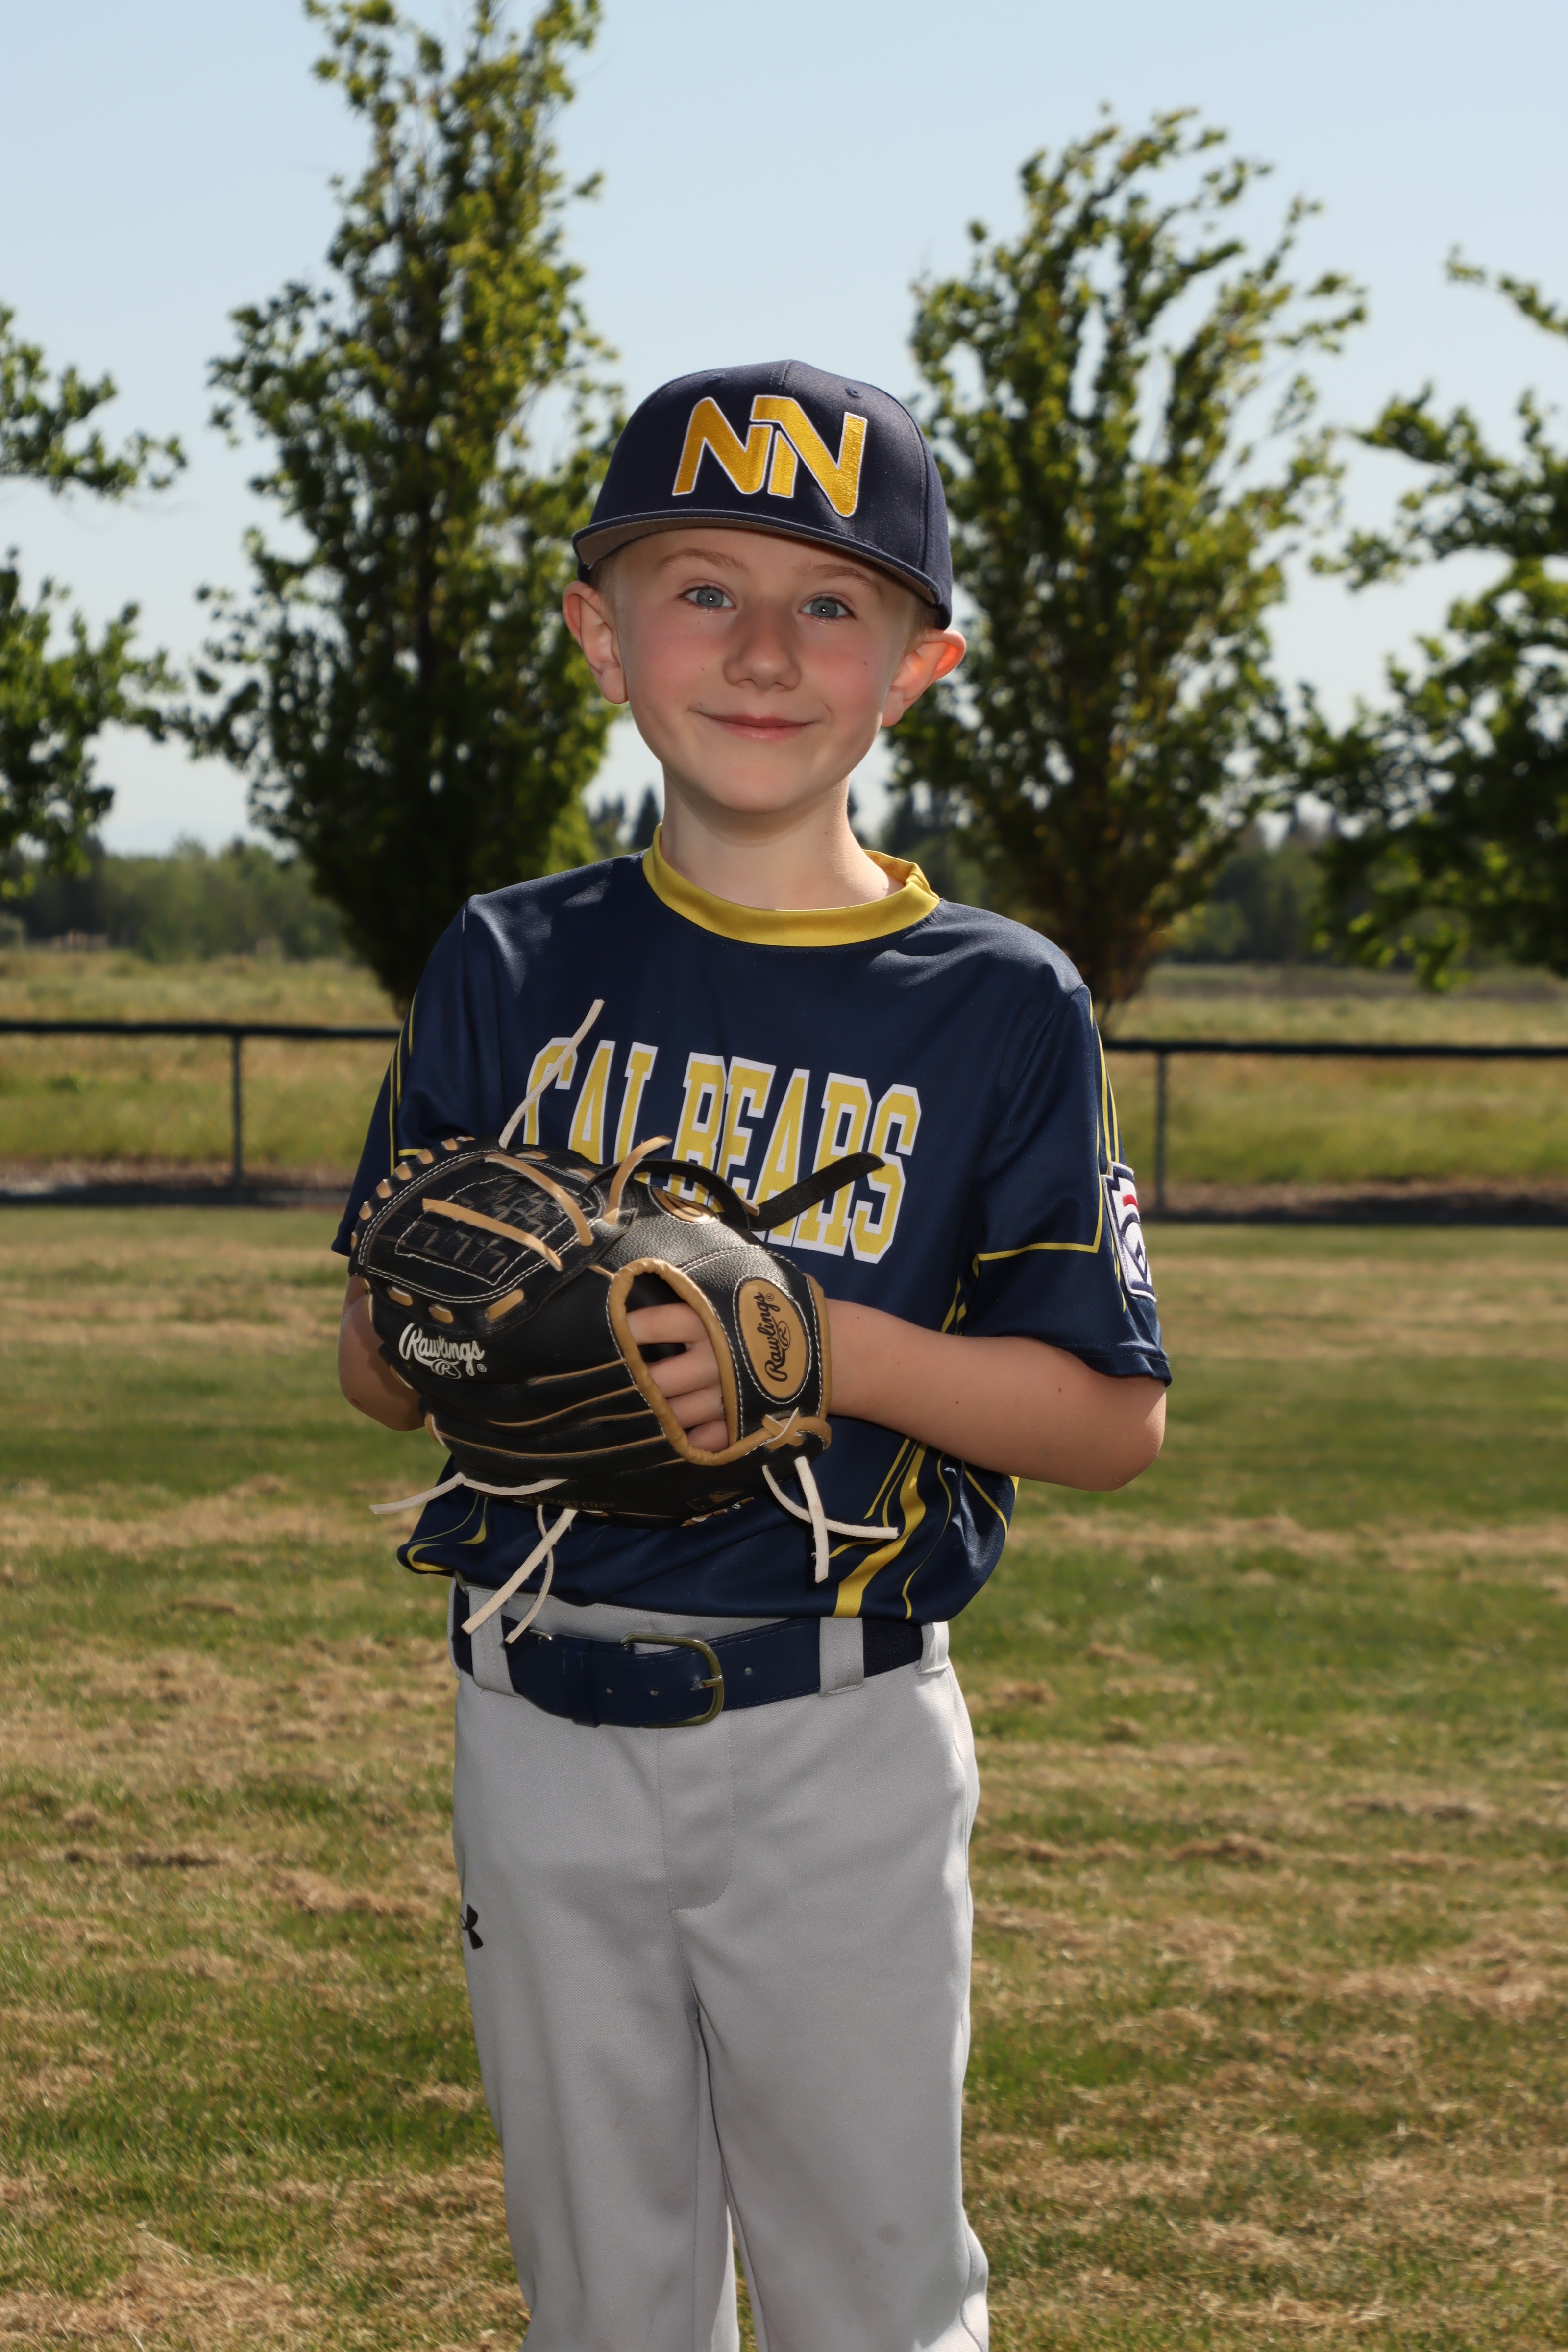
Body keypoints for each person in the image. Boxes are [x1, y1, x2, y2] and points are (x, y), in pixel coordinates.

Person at [335, 359, 1170, 2352]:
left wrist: (814, 1349)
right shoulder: (508, 959)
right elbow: (374, 1360)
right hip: (533, 1706)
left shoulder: (998, 1001)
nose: (766, 651)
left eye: (832, 603)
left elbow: (1107, 1418)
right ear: (598, 630)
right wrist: (474, 1332)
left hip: (834, 1734)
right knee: (603, 2308)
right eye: (701, 590)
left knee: (872, 2298)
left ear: (920, 665)